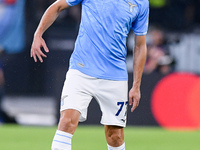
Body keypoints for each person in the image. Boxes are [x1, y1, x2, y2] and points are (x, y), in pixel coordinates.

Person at [30, 0, 149, 149]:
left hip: (115, 76)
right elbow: (58, 6)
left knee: (115, 136)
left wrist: (136, 86)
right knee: (67, 122)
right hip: (81, 69)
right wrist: (38, 33)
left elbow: (140, 44)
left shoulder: (141, 3)